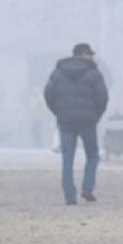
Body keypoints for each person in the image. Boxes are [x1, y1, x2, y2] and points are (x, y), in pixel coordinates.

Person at [44, 43, 109, 205]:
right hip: (88, 121)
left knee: (67, 159)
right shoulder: (94, 74)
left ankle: (69, 196)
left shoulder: (58, 73)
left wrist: (59, 112)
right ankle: (87, 188)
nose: (93, 57)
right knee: (93, 155)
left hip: (66, 121)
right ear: (84, 54)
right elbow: (103, 97)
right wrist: (96, 115)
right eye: (91, 54)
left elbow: (48, 94)